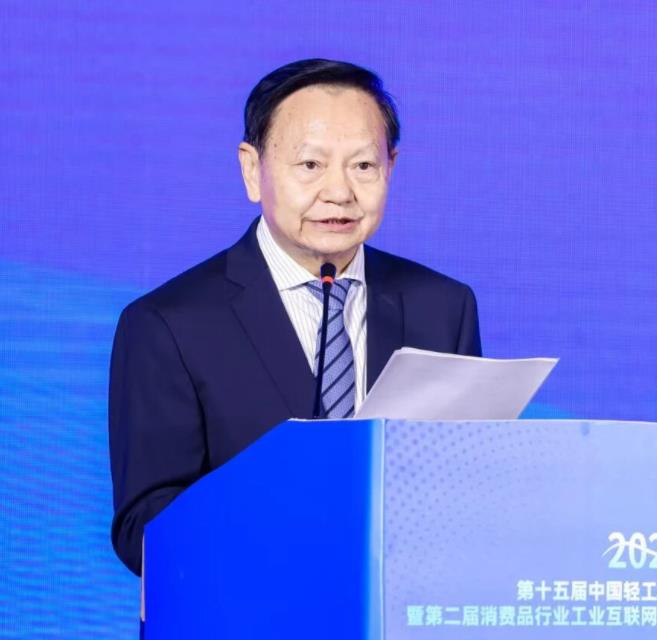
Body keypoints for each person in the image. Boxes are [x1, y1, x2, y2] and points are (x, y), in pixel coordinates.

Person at [108, 58, 482, 576]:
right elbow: (144, 529)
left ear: (390, 168)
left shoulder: (443, 307)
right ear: (251, 169)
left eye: (363, 166)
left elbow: (470, 488)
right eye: (310, 165)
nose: (339, 192)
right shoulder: (167, 324)